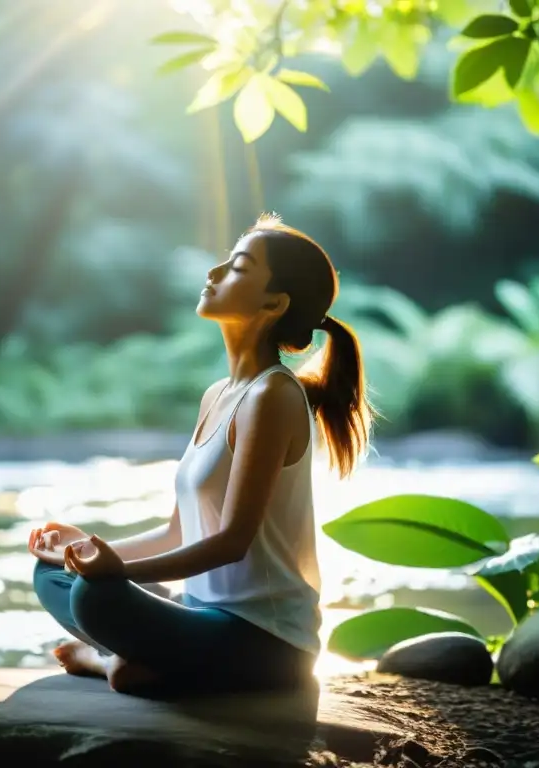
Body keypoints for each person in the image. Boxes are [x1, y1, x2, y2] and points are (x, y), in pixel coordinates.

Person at [28, 213, 374, 696]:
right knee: (51, 574)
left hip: (266, 643)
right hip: (199, 615)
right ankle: (131, 662)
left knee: (95, 597)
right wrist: (83, 550)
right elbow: (178, 531)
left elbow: (232, 541)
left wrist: (115, 573)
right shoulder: (218, 394)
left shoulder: (273, 395)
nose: (214, 273)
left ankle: (110, 661)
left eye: (238, 267)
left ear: (274, 302)